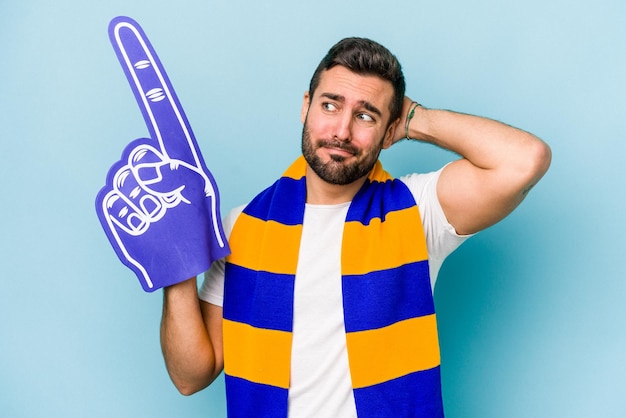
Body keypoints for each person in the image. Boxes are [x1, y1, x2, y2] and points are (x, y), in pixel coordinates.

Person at [159, 37, 551, 417]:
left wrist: (416, 118)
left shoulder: (416, 210)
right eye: (330, 105)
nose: (342, 131)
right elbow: (191, 376)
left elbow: (524, 160)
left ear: (389, 129)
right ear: (306, 107)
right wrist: (177, 266)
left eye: (366, 115)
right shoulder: (243, 225)